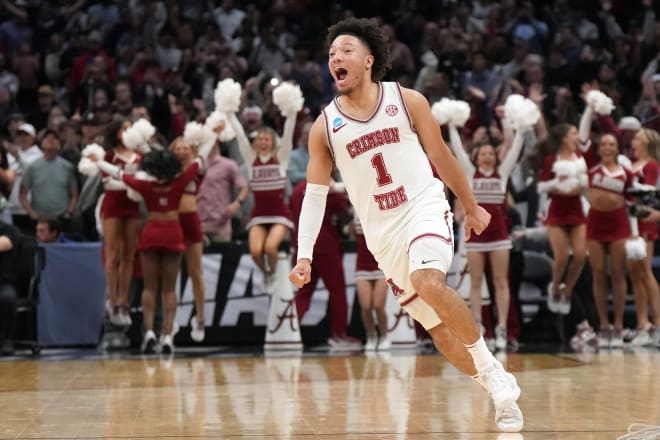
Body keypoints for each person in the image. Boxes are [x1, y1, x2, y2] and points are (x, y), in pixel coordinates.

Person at [289, 17, 522, 432]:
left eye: (345, 50)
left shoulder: (407, 100)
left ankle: (493, 370)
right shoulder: (324, 127)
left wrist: (469, 204)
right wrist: (303, 254)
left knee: (428, 279)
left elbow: (442, 156)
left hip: (423, 206)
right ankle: (495, 385)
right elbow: (315, 194)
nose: (335, 58)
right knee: (439, 333)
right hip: (382, 236)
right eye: (330, 55)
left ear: (368, 61)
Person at [91, 145, 211, 354]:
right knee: (169, 289)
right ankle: (166, 336)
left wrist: (97, 161)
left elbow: (119, 173)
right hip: (173, 234)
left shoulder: (144, 186)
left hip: (151, 234)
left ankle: (148, 332)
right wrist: (212, 136)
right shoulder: (180, 182)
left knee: (149, 287)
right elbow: (199, 161)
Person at [446, 117, 527, 351]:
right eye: (484, 154)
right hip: (476, 237)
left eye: (491, 154)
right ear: (477, 157)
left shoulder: (502, 173)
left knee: (502, 282)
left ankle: (501, 327)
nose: (488, 157)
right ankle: (479, 328)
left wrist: (521, 130)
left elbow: (514, 151)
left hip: (500, 237)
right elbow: (458, 152)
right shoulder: (471, 174)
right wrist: (452, 126)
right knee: (476, 282)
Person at [227, 92, 297, 293]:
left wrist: (291, 113)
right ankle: (266, 274)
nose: (263, 142)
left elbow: (289, 136)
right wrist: (231, 114)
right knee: (256, 251)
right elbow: (240, 136)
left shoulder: (281, 159)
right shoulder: (251, 161)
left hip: (280, 215)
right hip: (258, 214)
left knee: (270, 248)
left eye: (267, 139)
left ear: (273, 142)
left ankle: (274, 273)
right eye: (260, 139)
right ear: (256, 142)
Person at [289, 179, 359, 348]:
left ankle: (289, 334)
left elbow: (292, 217)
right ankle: (338, 335)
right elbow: (344, 216)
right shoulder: (331, 190)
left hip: (303, 248)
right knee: (337, 292)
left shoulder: (297, 190)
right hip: (326, 246)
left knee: (304, 292)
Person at [584, 133, 634, 349]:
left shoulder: (626, 173)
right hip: (595, 223)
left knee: (617, 272)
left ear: (617, 148)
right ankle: (603, 324)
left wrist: (634, 232)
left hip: (619, 224)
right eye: (603, 144)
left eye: (611, 144)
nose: (607, 147)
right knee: (598, 274)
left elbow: (631, 203)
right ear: (599, 148)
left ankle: (619, 324)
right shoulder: (591, 170)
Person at [99, 119, 142, 327]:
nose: (127, 131)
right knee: (113, 253)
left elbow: (145, 180)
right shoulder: (108, 156)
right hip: (113, 207)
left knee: (129, 256)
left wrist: (135, 186)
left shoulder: (139, 156)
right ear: (116, 133)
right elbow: (108, 183)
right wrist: (132, 185)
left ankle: (124, 300)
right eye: (124, 128)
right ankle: (113, 299)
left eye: (130, 128)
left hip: (132, 208)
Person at [627, 128, 660, 346]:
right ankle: (642, 323)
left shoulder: (651, 165)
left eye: (638, 139)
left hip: (645, 220)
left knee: (645, 271)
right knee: (635, 274)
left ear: (647, 142)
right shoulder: (630, 165)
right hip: (630, 222)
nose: (633, 142)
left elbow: (648, 193)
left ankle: (657, 323)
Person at [19, 129, 78, 226]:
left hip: (61, 217)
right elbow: (22, 194)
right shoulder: (33, 167)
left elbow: (74, 194)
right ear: (41, 143)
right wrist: (32, 213)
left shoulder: (67, 167)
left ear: (59, 144)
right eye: (47, 137)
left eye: (55, 138)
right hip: (39, 217)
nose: (51, 140)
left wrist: (69, 212)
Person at [353, 215, 390, 351]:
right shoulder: (356, 209)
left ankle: (384, 336)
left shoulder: (382, 208)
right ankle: (371, 336)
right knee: (366, 306)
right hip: (362, 264)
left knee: (378, 305)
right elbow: (351, 233)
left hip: (381, 264)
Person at [0, 219, 21, 356]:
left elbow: (3, 244)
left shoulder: (10, 230)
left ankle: (7, 340)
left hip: (3, 282)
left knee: (7, 298)